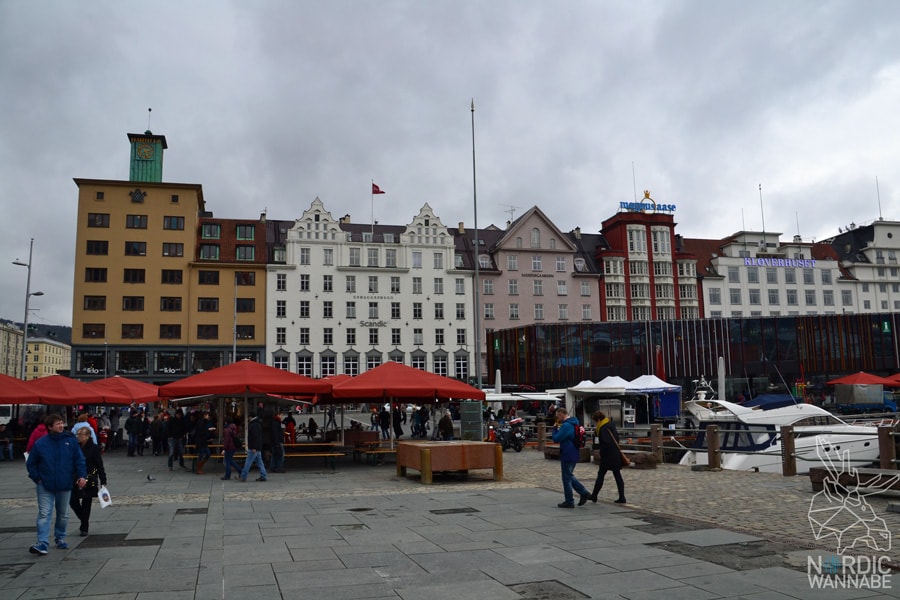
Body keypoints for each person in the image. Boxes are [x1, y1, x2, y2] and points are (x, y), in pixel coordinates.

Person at [26, 414, 87, 555]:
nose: (61, 426)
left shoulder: (70, 441)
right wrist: (37, 478)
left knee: (63, 514)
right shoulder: (41, 443)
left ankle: (60, 537)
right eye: (57, 423)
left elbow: (79, 460)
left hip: (64, 483)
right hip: (45, 484)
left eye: (61, 423)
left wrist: (82, 476)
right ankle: (42, 542)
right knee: (44, 513)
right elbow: (31, 463)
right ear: (49, 427)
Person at [550, 406, 591, 508]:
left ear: (561, 414)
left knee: (566, 477)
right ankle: (583, 493)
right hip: (573, 451)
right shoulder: (574, 423)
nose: (557, 419)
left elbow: (556, 438)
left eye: (557, 416)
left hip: (567, 452)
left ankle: (571, 500)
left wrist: (554, 429)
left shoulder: (566, 425)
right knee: (568, 475)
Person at [69, 427, 107, 536]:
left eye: (81, 435)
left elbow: (99, 465)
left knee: (86, 502)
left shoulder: (94, 448)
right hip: (75, 477)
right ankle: (84, 519)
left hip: (90, 478)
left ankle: (84, 527)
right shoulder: (75, 447)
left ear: (87, 436)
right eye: (77, 435)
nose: (78, 437)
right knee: (73, 501)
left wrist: (103, 479)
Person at [589, 410, 626, 504]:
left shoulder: (603, 428)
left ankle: (594, 495)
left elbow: (606, 442)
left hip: (607, 455)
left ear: (598, 420)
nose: (595, 424)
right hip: (615, 453)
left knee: (601, 474)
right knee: (617, 475)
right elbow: (616, 439)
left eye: (595, 421)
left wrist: (599, 446)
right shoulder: (610, 425)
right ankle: (622, 497)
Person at [238, 411, 268, 482]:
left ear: (250, 417)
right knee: (260, 462)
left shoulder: (253, 425)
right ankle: (263, 475)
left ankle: (243, 476)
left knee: (248, 462)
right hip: (257, 447)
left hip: (254, 447)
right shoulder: (257, 424)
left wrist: (254, 447)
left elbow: (255, 437)